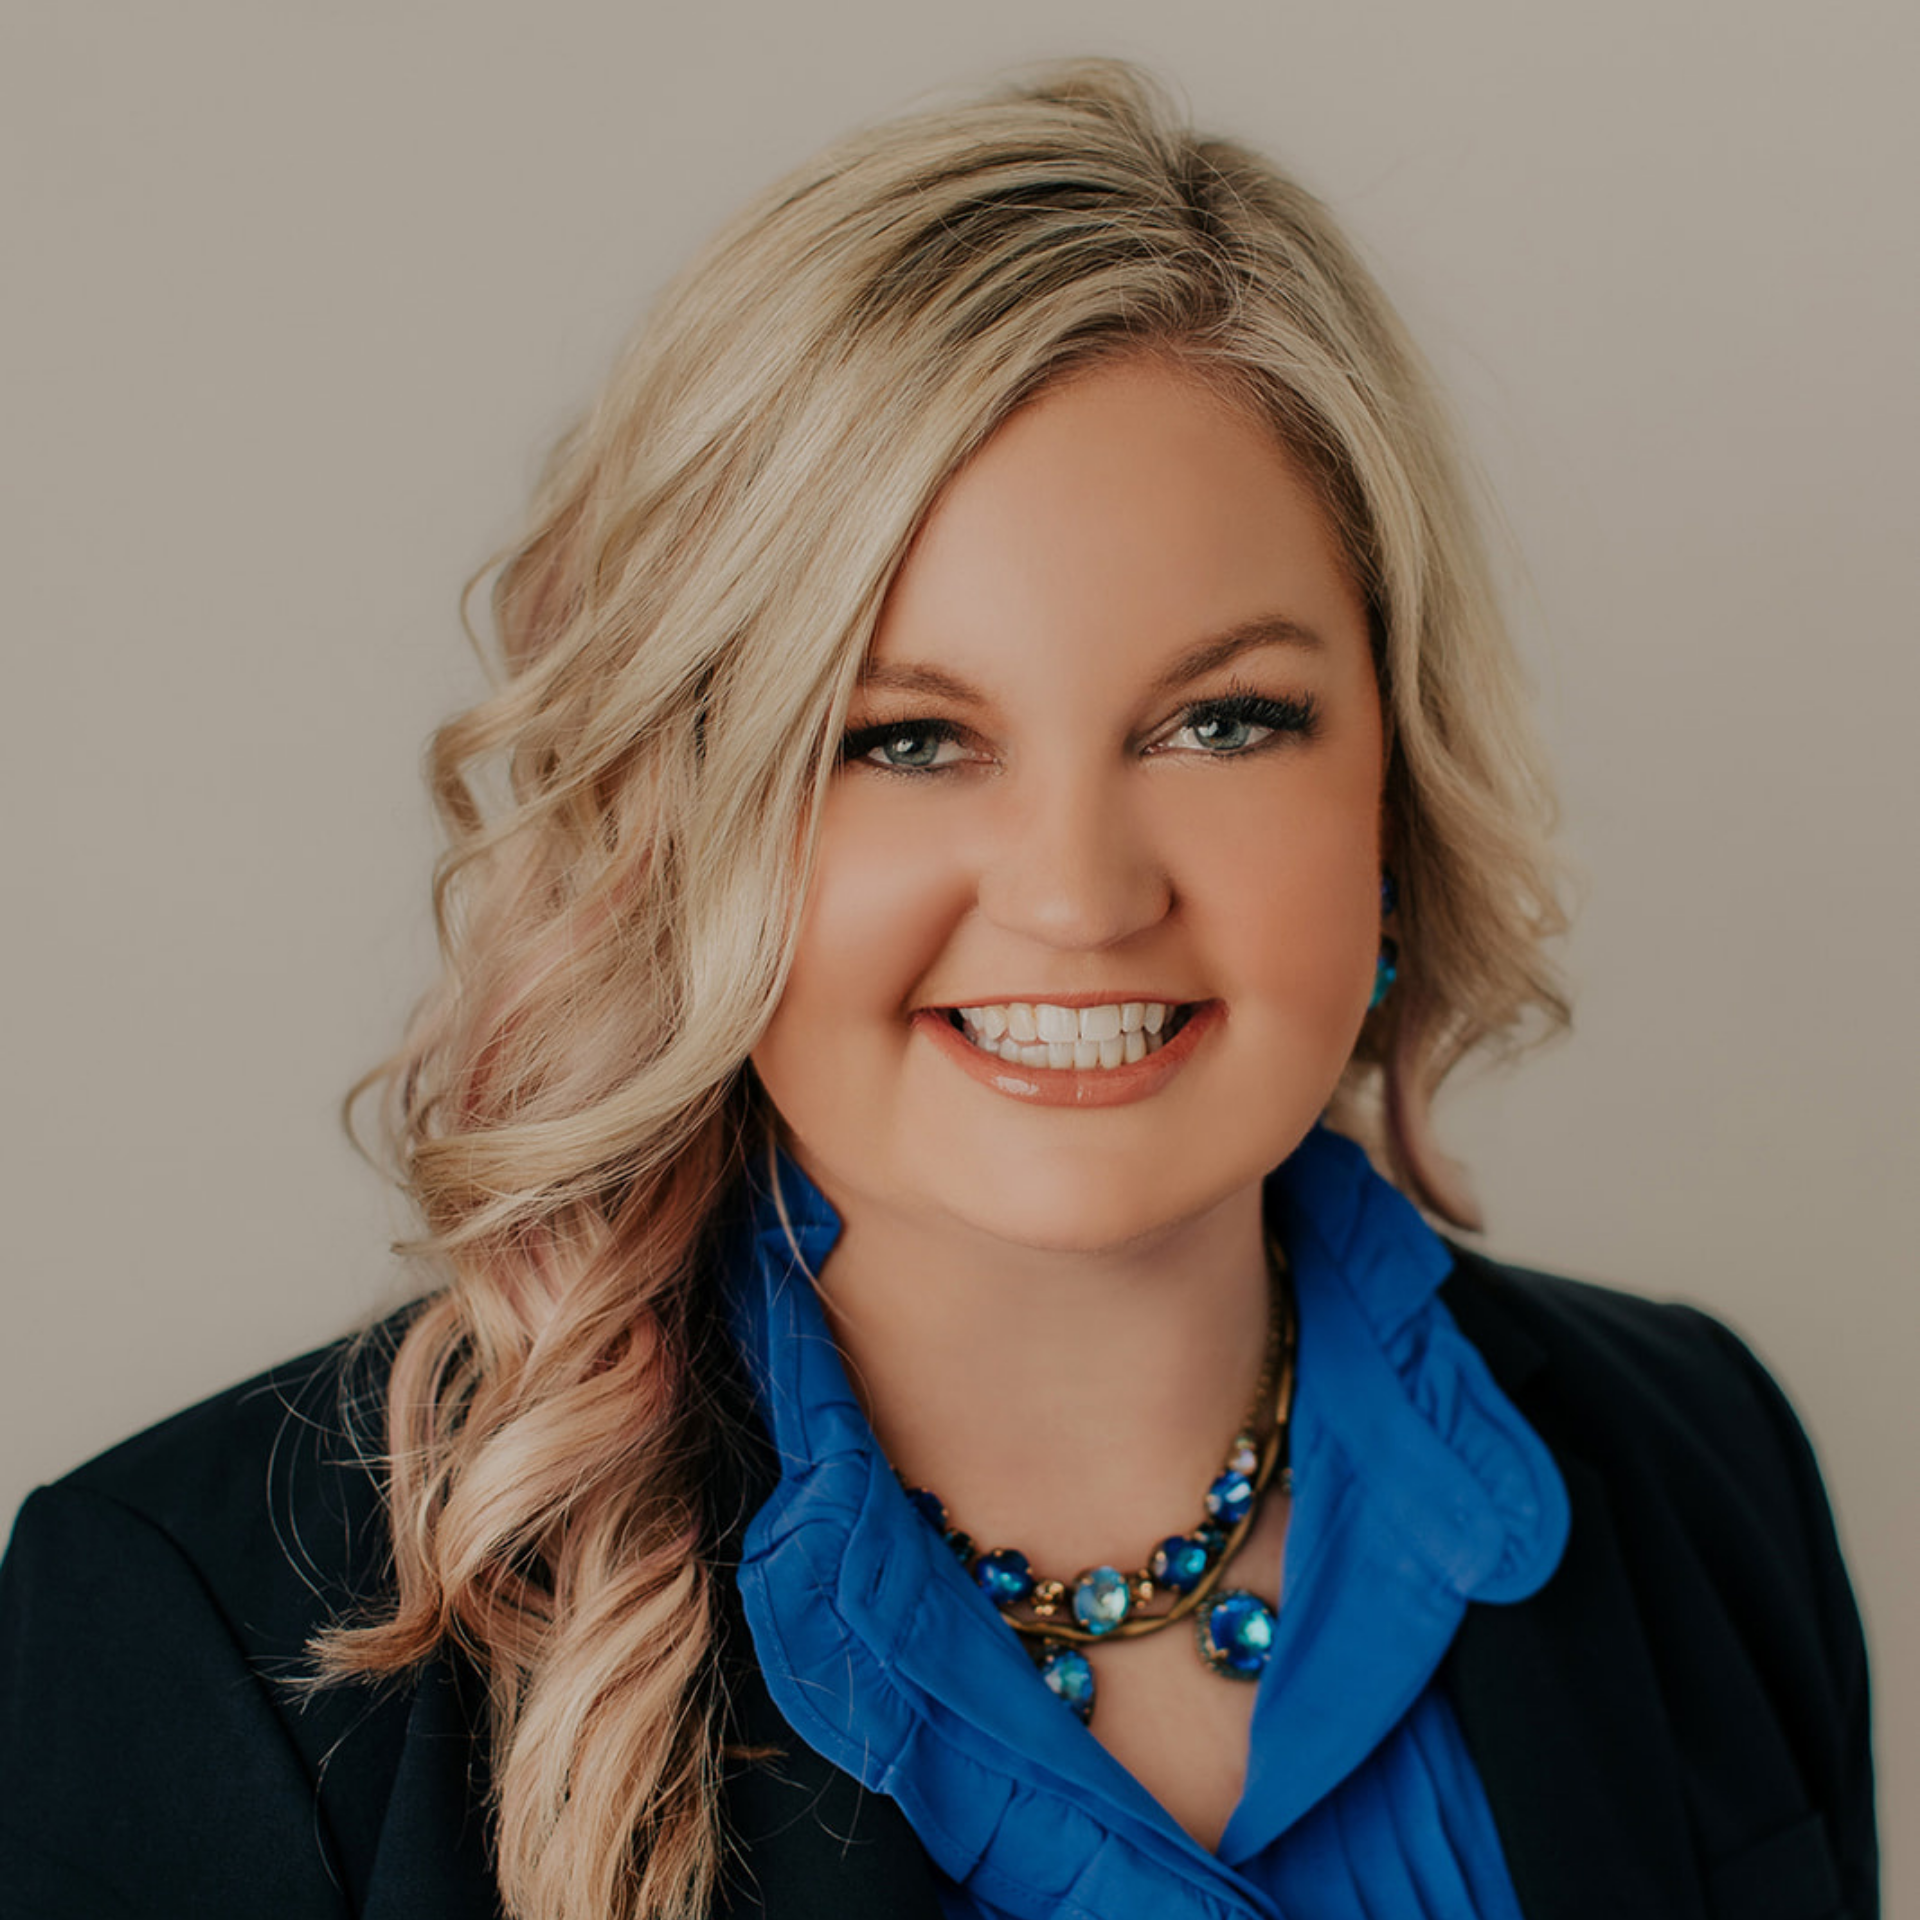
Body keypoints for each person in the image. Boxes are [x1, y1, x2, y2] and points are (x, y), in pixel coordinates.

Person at [0, 60, 1874, 1920]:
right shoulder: (193, 1639)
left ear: (1390, 784)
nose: (1079, 895)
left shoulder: (1701, 1463)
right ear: (689, 812)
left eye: (1224, 720)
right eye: (903, 738)